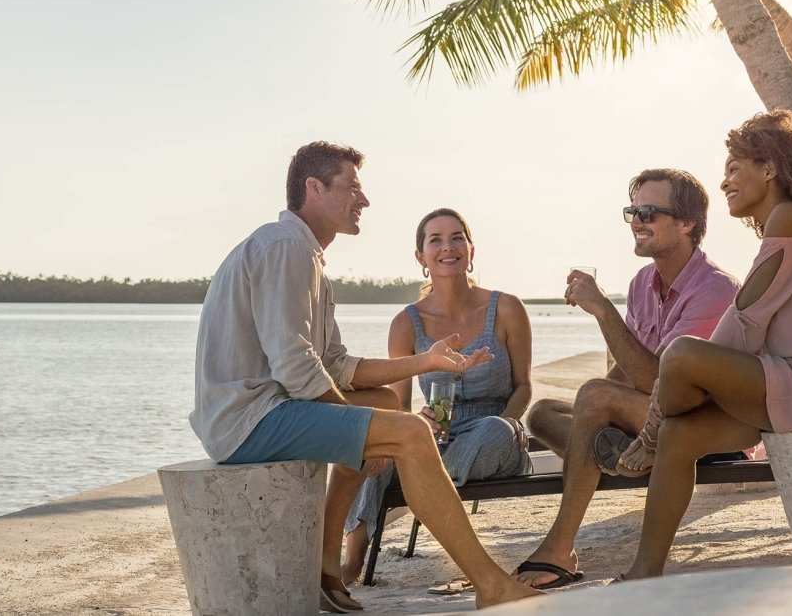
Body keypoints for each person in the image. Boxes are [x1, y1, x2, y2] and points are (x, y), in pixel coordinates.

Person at [190, 142, 540, 612]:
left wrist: (425, 361)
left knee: (387, 403)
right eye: (353, 186)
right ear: (314, 188)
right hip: (248, 420)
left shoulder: (307, 257)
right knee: (411, 432)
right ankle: (489, 584)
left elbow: (334, 364)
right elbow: (295, 366)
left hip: (270, 410)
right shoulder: (284, 247)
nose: (365, 199)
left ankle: (327, 569)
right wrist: (356, 435)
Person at [617, 110, 792, 579]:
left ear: (769, 168)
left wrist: (680, 379)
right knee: (681, 433)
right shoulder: (788, 224)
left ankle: (650, 431)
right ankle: (644, 571)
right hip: (782, 383)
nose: (725, 181)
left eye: (735, 168)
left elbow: (745, 318)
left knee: (683, 353)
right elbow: (747, 326)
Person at [514, 168, 739, 589]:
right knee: (543, 412)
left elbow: (665, 384)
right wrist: (599, 404)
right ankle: (626, 455)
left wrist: (603, 311)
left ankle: (559, 549)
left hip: (703, 429)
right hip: (650, 421)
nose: (637, 222)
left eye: (649, 212)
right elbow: (625, 373)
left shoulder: (715, 291)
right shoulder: (642, 283)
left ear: (687, 223)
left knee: (595, 397)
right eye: (633, 211)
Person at [340, 208, 534, 588]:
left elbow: (524, 386)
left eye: (457, 237)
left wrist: (512, 421)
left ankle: (424, 481)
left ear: (471, 248)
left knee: (492, 430)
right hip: (434, 436)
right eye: (436, 240)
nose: (448, 247)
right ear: (421, 258)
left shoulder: (506, 308)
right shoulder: (406, 323)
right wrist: (419, 422)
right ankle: (352, 558)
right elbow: (395, 403)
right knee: (374, 442)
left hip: (495, 432)